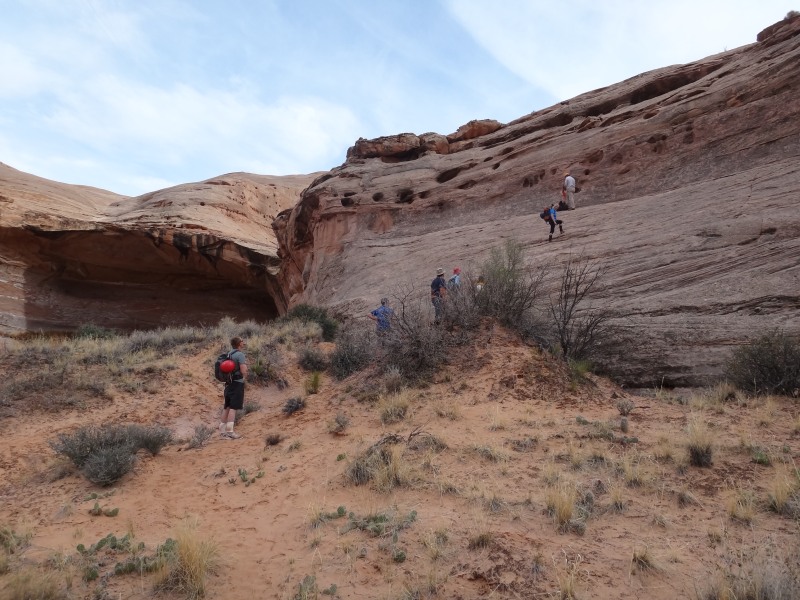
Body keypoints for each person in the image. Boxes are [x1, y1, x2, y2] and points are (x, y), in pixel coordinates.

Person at [219, 337, 248, 439]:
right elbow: (243, 370)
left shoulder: (229, 354)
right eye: (242, 341)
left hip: (228, 384)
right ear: (239, 343)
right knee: (233, 408)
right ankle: (230, 432)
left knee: (226, 407)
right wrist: (245, 376)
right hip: (237, 383)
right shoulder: (240, 355)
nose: (243, 343)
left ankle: (222, 432)